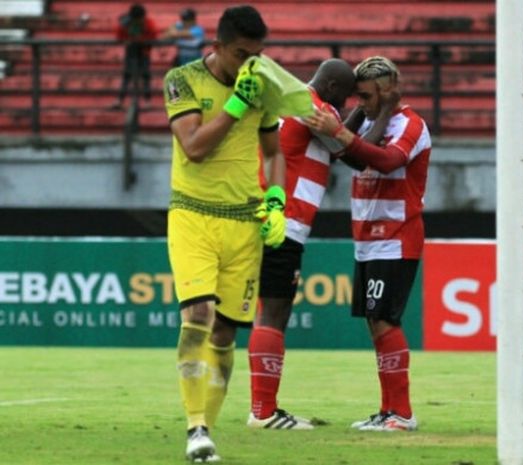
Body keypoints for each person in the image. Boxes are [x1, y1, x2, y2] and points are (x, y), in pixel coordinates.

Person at [162, 6, 289, 462]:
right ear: (216, 47)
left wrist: (276, 199)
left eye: (257, 54)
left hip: (244, 222)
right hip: (193, 216)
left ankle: (207, 430)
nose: (249, 64)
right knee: (197, 313)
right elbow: (193, 148)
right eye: (241, 54)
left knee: (225, 335)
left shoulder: (262, 86)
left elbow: (274, 152)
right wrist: (237, 104)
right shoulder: (182, 80)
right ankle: (194, 427)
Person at [305, 56, 431, 432]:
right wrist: (346, 132)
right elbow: (353, 157)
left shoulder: (410, 123)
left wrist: (343, 134)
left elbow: (389, 161)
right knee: (376, 323)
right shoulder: (374, 122)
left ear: (386, 89)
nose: (359, 102)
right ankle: (388, 409)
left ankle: (402, 414)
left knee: (385, 320)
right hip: (368, 238)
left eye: (365, 95)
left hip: (396, 236)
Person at [247, 58, 357, 430]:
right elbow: (351, 150)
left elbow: (339, 135)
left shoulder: (291, 102)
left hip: (267, 217)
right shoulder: (314, 107)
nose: (344, 107)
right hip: (285, 222)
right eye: (344, 98)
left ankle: (262, 407)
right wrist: (385, 110)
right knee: (274, 314)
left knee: (267, 311)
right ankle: (263, 411)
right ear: (330, 89)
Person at [113, 3, 157, 109]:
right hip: (131, 51)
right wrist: (125, 41)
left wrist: (141, 40)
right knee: (127, 76)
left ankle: (147, 102)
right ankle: (120, 101)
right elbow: (119, 36)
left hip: (144, 52)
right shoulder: (125, 23)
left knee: (145, 75)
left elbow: (153, 36)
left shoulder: (148, 23)